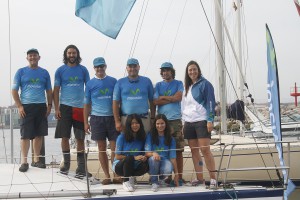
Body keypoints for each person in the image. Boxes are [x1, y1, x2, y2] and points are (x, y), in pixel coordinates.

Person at [12, 48, 52, 172]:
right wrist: (19, 106)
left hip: (41, 106)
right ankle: (24, 161)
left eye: (35, 56)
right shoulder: (21, 72)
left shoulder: (44, 72)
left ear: (39, 57)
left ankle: (36, 160)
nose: (32, 58)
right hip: (26, 107)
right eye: (30, 56)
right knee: (25, 135)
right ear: (27, 58)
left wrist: (50, 105)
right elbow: (14, 90)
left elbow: (49, 90)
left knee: (39, 134)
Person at [53, 44, 90, 176]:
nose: (71, 55)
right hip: (65, 107)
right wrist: (56, 108)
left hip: (80, 107)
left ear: (77, 54)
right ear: (66, 55)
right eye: (69, 53)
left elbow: (89, 89)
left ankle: (81, 168)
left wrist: (88, 107)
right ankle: (66, 166)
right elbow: (56, 90)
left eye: (74, 53)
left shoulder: (83, 70)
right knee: (65, 137)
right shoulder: (60, 70)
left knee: (80, 138)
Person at [83, 57, 120, 184]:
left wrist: (118, 119)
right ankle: (106, 175)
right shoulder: (89, 84)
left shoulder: (113, 81)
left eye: (101, 66)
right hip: (96, 118)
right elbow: (86, 104)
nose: (99, 69)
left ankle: (116, 174)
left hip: (112, 118)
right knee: (101, 148)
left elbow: (118, 101)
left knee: (115, 148)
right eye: (97, 67)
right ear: (94, 68)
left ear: (105, 66)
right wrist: (85, 122)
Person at [181, 60, 217, 189]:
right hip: (188, 122)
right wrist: (182, 123)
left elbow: (211, 102)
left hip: (202, 121)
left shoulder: (205, 84)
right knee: (194, 151)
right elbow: (184, 106)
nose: (192, 72)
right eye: (190, 70)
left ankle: (213, 178)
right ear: (187, 72)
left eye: (194, 69)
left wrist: (210, 120)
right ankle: (200, 178)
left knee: (205, 150)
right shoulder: (187, 86)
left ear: (198, 70)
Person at [153, 62, 185, 185]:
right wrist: (171, 98)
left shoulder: (178, 83)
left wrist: (163, 98)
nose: (165, 72)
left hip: (175, 121)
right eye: (163, 70)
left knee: (178, 151)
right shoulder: (158, 85)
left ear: (172, 71)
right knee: (165, 150)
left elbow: (178, 98)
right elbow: (155, 101)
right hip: (161, 122)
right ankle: (168, 178)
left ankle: (179, 177)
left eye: (168, 70)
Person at [113, 58, 155, 133]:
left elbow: (152, 101)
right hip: (126, 119)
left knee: (145, 142)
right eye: (130, 66)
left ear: (139, 67)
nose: (132, 69)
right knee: (128, 143)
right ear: (127, 68)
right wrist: (117, 121)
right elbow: (115, 103)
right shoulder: (120, 82)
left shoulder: (147, 81)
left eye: (135, 66)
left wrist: (152, 118)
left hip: (144, 119)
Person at [112, 114, 148, 192]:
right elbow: (117, 156)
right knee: (129, 158)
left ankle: (131, 177)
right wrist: (134, 158)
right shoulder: (121, 137)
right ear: (128, 125)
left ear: (140, 124)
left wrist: (143, 157)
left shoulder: (142, 137)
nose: (135, 125)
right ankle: (125, 181)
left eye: (137, 123)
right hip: (119, 166)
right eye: (132, 123)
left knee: (147, 162)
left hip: (133, 165)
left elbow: (142, 153)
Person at [145, 114, 179, 192]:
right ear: (155, 124)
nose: (160, 126)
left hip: (165, 161)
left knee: (168, 169)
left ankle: (160, 180)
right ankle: (154, 182)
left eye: (162, 123)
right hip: (152, 160)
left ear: (166, 124)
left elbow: (173, 158)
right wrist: (153, 153)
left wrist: (177, 174)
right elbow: (147, 153)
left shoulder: (171, 139)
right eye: (158, 124)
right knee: (154, 159)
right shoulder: (150, 136)